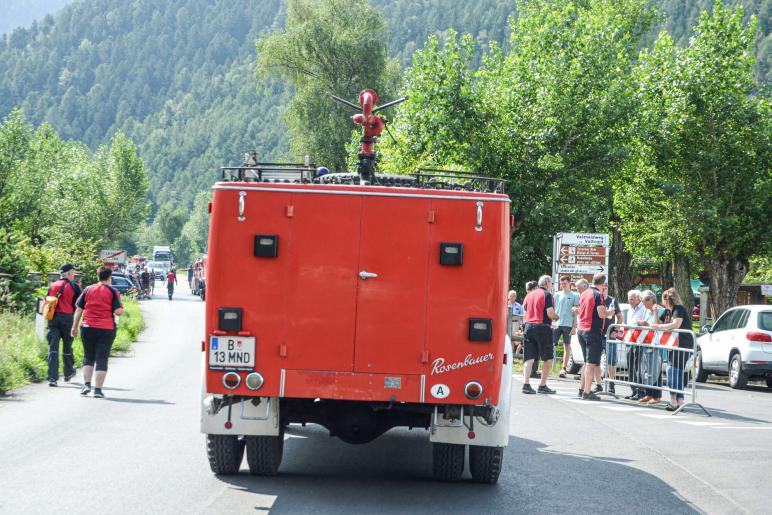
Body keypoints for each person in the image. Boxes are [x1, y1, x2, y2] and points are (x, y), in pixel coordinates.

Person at [70, 266, 123, 398]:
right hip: (106, 328)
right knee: (102, 358)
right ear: (109, 278)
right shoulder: (112, 291)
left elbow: (78, 309)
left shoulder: (88, 289)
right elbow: (118, 311)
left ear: (97, 277)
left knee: (88, 356)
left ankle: (87, 385)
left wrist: (74, 327)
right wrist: (119, 309)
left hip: (87, 327)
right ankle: (98, 390)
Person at [645, 288, 693, 411]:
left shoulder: (679, 309)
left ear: (668, 299)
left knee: (672, 370)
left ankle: (674, 400)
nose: (663, 301)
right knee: (674, 371)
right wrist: (655, 313)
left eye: (664, 299)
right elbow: (657, 322)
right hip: (672, 345)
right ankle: (679, 400)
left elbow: (675, 324)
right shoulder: (667, 311)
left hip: (683, 344)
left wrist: (659, 326)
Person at [521, 275, 559, 394]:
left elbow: (525, 313)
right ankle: (542, 385)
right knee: (548, 358)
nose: (551, 286)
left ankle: (526, 384)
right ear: (547, 283)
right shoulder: (547, 295)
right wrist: (557, 317)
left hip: (528, 326)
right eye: (551, 284)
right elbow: (550, 313)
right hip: (542, 327)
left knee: (529, 358)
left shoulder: (529, 295)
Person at [46, 264, 83, 386]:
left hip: (52, 319)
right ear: (69, 273)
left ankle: (52, 378)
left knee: (53, 349)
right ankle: (68, 373)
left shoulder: (52, 286)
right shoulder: (74, 286)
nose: (74, 275)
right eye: (73, 272)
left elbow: (48, 301)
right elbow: (80, 305)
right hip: (67, 319)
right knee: (67, 348)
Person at [577, 273, 611, 401]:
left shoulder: (584, 293)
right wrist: (610, 313)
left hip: (582, 329)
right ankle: (587, 392)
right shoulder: (598, 295)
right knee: (591, 364)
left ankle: (582, 389)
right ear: (603, 284)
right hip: (592, 330)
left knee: (587, 362)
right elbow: (601, 313)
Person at [636, 290, 663, 405]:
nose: (642, 304)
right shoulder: (646, 311)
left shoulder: (660, 310)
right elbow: (646, 323)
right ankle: (648, 393)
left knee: (655, 369)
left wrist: (648, 322)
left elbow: (659, 325)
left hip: (657, 343)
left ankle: (656, 396)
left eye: (643, 301)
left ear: (650, 300)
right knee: (646, 369)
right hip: (647, 342)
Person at [598, 282, 623, 394]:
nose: (604, 289)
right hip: (597, 334)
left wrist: (616, 331)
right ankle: (598, 383)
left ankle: (611, 383)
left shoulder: (612, 300)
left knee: (611, 360)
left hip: (609, 335)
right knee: (595, 360)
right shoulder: (597, 299)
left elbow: (620, 318)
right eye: (602, 287)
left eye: (606, 287)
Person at [553, 276, 579, 378]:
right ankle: (548, 365)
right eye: (561, 284)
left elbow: (576, 313)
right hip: (557, 323)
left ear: (569, 283)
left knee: (567, 346)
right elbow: (554, 309)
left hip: (568, 324)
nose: (563, 285)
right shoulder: (557, 294)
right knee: (551, 344)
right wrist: (552, 321)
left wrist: (574, 327)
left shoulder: (575, 295)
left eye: (565, 283)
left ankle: (563, 368)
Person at [624, 290, 647, 400]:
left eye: (632, 299)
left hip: (640, 340)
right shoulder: (629, 308)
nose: (630, 301)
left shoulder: (643, 308)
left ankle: (641, 391)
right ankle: (633, 390)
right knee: (630, 365)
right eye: (629, 299)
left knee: (638, 365)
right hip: (630, 339)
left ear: (638, 299)